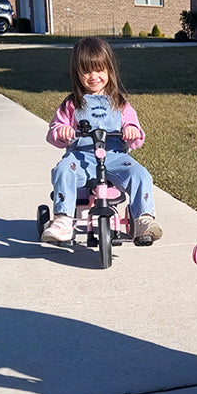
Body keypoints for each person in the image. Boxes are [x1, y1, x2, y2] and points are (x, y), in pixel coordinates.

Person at [40, 36, 162, 246]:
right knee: (63, 170)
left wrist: (131, 131)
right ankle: (63, 219)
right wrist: (62, 132)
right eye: (87, 71)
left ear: (109, 70)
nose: (94, 76)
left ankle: (143, 219)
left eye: (99, 70)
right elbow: (54, 131)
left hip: (115, 156)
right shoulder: (71, 104)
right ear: (77, 73)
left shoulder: (120, 103)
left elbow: (136, 133)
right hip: (81, 157)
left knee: (139, 173)